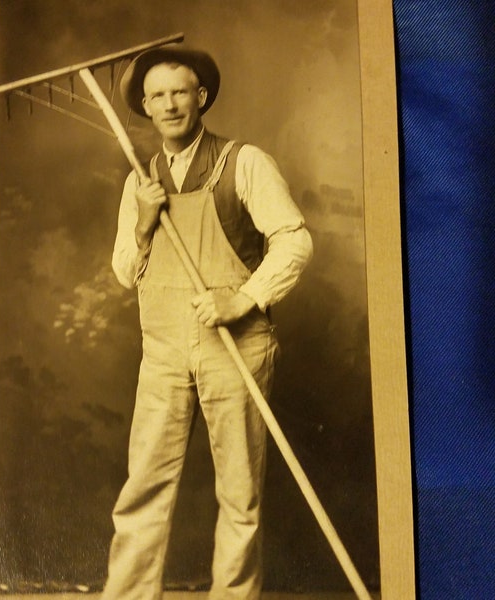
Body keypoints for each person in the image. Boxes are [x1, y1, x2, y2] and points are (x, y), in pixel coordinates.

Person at [105, 45, 313, 600]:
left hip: (235, 346)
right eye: (157, 96)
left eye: (179, 92)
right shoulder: (139, 182)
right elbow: (126, 273)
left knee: (240, 492)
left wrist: (243, 300)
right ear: (145, 108)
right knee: (144, 484)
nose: (169, 104)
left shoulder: (243, 162)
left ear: (200, 98)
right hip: (164, 349)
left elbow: (295, 240)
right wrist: (146, 224)